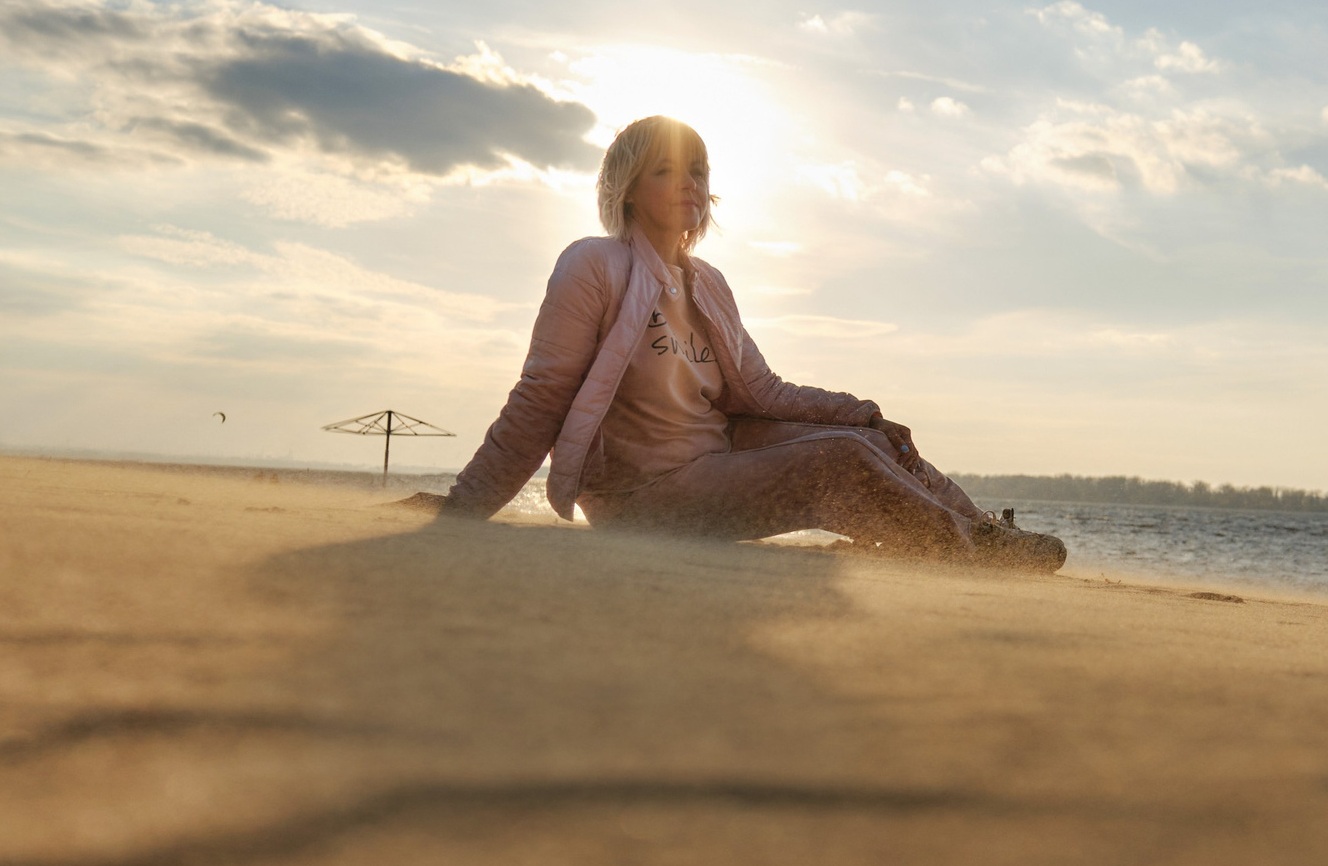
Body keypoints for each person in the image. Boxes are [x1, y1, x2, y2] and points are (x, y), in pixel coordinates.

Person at [437, 115, 1063, 570]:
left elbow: (761, 389)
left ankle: (979, 530)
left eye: (698, 171)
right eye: (665, 170)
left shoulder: (708, 283)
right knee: (837, 464)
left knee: (868, 440)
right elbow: (541, 397)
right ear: (628, 186)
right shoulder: (593, 266)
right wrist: (461, 511)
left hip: (718, 461)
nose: (688, 183)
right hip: (640, 497)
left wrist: (858, 411)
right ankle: (966, 552)